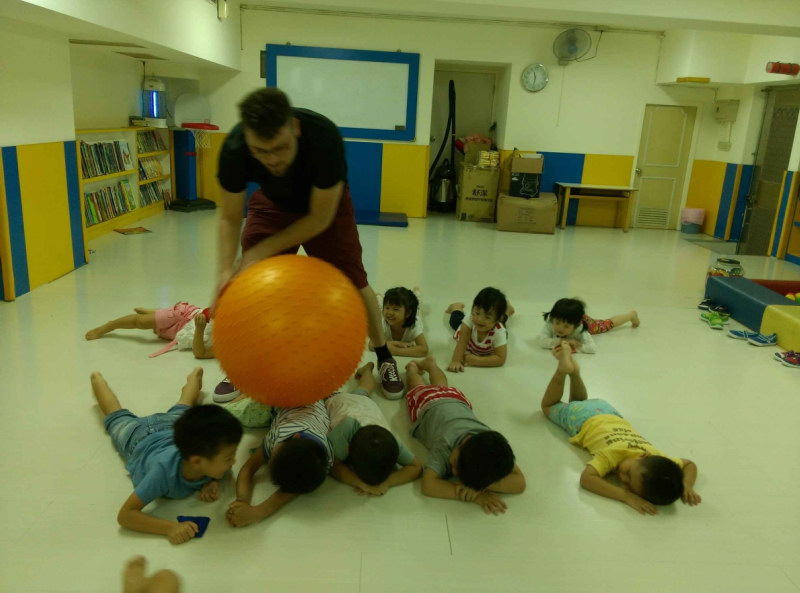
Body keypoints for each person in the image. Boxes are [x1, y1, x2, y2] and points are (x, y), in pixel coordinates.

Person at [215, 87, 403, 399]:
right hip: (272, 205)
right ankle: (244, 364)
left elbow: (319, 219)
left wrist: (259, 251)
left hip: (325, 208)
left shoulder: (323, 138)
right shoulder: (235, 149)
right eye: (261, 151)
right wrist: (225, 270)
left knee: (354, 280)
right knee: (250, 284)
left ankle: (384, 356)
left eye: (280, 148)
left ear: (295, 128)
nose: (272, 160)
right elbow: (229, 218)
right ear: (248, 138)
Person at [540, 342, 701, 515]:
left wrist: (686, 484)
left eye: (628, 485)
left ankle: (574, 373)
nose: (622, 478)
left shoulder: (656, 457)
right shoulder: (612, 454)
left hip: (607, 410)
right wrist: (626, 496)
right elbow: (586, 479)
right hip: (580, 419)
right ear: (642, 456)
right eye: (628, 474)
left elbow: (689, 464)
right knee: (549, 405)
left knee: (579, 402)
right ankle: (562, 371)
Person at [91, 368, 242, 543]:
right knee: (115, 416)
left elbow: (216, 466)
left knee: (184, 406)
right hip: (137, 436)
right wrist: (169, 527)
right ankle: (97, 379)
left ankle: (193, 378)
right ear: (197, 461)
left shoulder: (206, 455)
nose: (233, 462)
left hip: (171, 427)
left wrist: (212, 481)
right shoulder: (161, 474)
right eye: (228, 458)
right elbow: (125, 516)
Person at [404, 356, 526, 514]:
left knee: (442, 386)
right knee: (417, 386)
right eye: (455, 463)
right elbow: (428, 485)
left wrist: (480, 485)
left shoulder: (491, 446)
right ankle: (412, 370)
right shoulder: (445, 445)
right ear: (464, 442)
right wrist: (472, 495)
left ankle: (432, 366)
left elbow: (520, 483)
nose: (454, 471)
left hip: (456, 400)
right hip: (427, 404)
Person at [226, 400, 333, 527]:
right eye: (272, 454)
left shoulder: (325, 459)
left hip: (314, 405)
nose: (269, 456)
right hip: (288, 400)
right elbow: (249, 467)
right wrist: (241, 500)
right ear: (296, 437)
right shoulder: (279, 435)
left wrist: (256, 513)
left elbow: (295, 488)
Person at [327, 362, 423, 495]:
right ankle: (365, 371)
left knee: (362, 391)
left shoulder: (390, 442)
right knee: (328, 394)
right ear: (348, 449)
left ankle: (367, 370)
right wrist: (359, 482)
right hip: (338, 402)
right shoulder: (346, 428)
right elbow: (331, 465)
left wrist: (387, 482)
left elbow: (417, 467)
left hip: (366, 405)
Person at [85, 303, 214, 359]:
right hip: (183, 314)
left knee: (157, 331)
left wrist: (199, 329)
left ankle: (154, 312)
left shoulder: (225, 345)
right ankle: (109, 326)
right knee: (140, 322)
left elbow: (200, 353)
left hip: (184, 332)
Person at [536, 297, 640, 354]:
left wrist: (574, 346)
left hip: (588, 323)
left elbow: (592, 348)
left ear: (575, 326)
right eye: (558, 323)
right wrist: (561, 341)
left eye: (566, 326)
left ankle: (631, 315)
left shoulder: (580, 328)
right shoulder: (552, 321)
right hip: (573, 318)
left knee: (607, 324)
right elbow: (542, 341)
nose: (560, 328)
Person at [445, 287, 511, 372]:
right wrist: (455, 361)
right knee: (454, 321)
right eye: (477, 313)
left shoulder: (499, 331)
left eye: (487, 317)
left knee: (504, 328)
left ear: (497, 320)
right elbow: (462, 341)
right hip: (469, 328)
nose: (479, 319)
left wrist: (476, 360)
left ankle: (508, 310)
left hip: (496, 326)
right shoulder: (471, 318)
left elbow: (500, 359)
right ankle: (456, 307)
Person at [371, 286, 428, 358]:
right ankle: (379, 298)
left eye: (396, 309)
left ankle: (416, 295)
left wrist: (396, 351)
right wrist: (396, 343)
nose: (390, 313)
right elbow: (371, 344)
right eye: (387, 308)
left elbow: (424, 349)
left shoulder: (414, 326)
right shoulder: (384, 324)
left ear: (408, 313)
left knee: (417, 308)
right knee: (379, 309)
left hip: (413, 316)